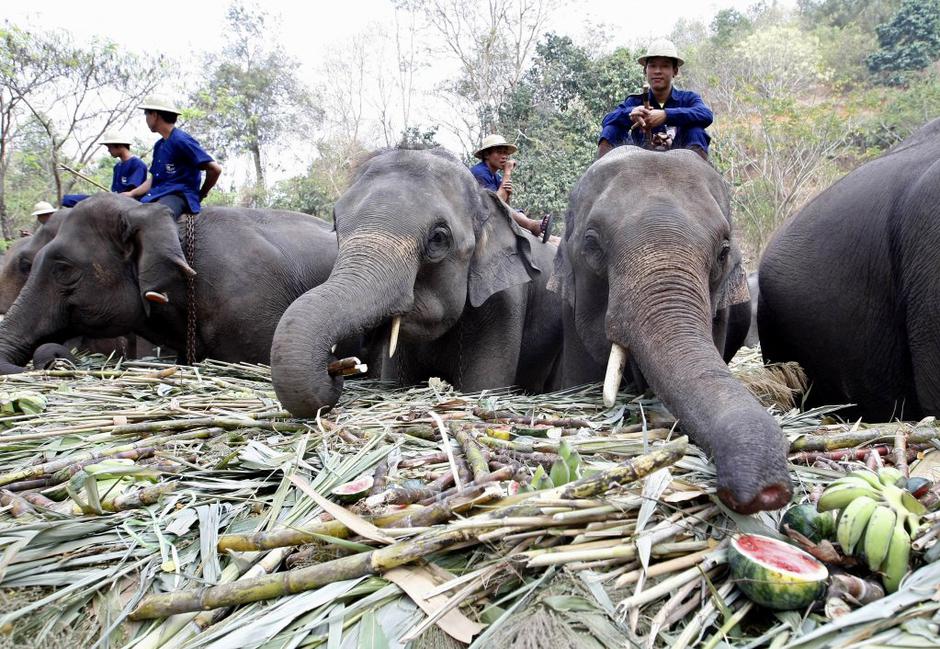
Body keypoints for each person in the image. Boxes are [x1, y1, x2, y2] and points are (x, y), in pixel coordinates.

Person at [124, 96, 222, 304]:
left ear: (155, 115)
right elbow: (155, 180)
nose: (146, 119)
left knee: (155, 218)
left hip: (179, 195)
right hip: (159, 194)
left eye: (146, 114)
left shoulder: (181, 140)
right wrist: (132, 195)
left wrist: (200, 193)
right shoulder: (160, 145)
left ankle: (163, 283)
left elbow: (214, 168)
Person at [597, 39, 713, 160]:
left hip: (682, 162)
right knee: (611, 129)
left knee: (697, 131)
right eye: (652, 66)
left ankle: (699, 177)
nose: (657, 71)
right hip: (639, 159)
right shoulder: (634, 102)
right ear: (645, 71)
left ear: (675, 71)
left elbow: (706, 115)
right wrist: (630, 114)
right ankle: (599, 176)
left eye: (665, 66)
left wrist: (666, 115)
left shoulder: (688, 99)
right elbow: (607, 120)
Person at [470, 134, 550, 238]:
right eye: (499, 152)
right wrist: (507, 172)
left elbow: (506, 205)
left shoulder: (497, 177)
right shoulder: (480, 172)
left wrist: (508, 194)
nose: (504, 156)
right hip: (477, 218)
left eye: (505, 153)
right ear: (486, 155)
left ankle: (541, 232)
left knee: (519, 213)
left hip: (492, 214)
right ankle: (531, 225)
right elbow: (495, 205)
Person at [61, 132, 149, 207]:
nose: (108, 150)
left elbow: (133, 192)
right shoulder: (117, 167)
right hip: (112, 199)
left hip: (126, 204)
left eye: (109, 147)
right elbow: (114, 190)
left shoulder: (138, 165)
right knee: (67, 199)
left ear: (118, 146)